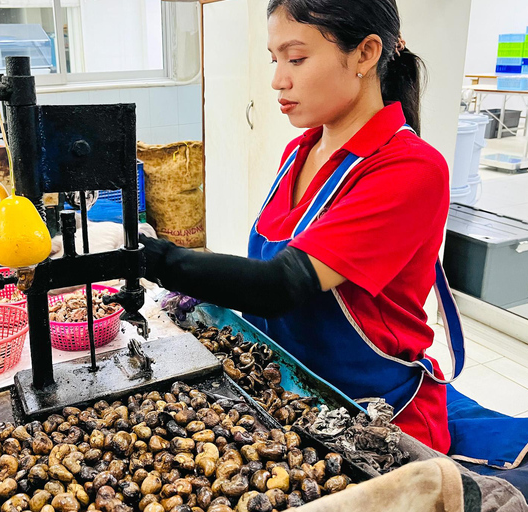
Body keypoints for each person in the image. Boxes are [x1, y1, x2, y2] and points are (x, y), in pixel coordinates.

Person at [140, 0, 456, 453]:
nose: (277, 80)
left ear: (365, 54)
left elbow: (280, 283)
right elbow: (263, 270)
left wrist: (151, 257)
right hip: (286, 395)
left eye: (297, 58)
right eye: (275, 59)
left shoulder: (410, 169)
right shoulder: (299, 151)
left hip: (371, 420)